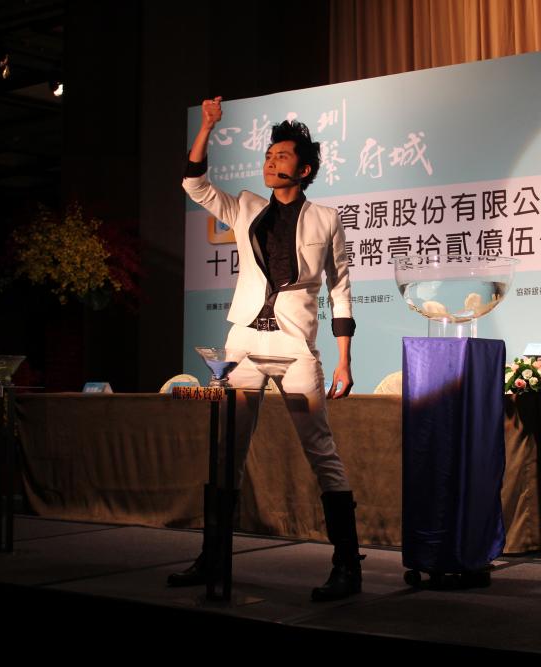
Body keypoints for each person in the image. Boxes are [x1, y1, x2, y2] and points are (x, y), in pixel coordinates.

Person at [169, 96, 362, 601]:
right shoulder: (246, 206)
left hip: (296, 346)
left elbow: (340, 289)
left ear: (305, 169)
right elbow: (193, 183)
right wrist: (206, 127)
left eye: (282, 156)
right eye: (269, 155)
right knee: (226, 451)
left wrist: (344, 358)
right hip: (243, 344)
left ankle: (347, 566)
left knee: (320, 450)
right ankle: (212, 557)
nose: (271, 162)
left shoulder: (326, 219)